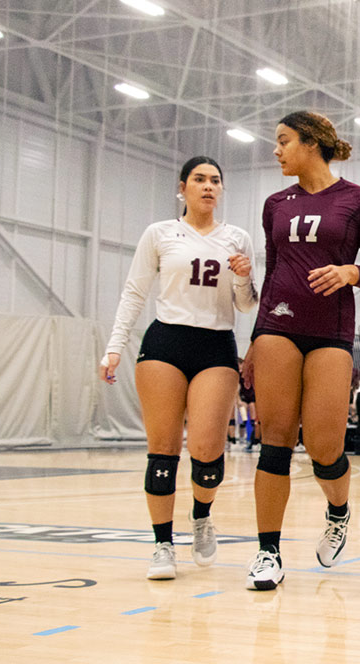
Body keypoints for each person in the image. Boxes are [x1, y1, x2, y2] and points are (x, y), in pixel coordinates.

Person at [242, 111, 360, 590]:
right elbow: (271, 270)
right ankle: (268, 553)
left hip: (331, 332)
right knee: (276, 440)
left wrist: (351, 273)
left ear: (311, 142)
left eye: (283, 141)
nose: (276, 150)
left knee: (325, 448)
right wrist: (254, 340)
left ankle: (338, 511)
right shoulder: (274, 204)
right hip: (276, 326)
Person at [99, 156, 258, 580]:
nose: (208, 186)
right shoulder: (159, 234)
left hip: (215, 345)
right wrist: (114, 347)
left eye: (215, 181)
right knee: (163, 450)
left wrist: (243, 277)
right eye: (200, 179)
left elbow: (246, 305)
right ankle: (162, 545)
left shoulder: (237, 238)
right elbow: (134, 292)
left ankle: (202, 516)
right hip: (165, 342)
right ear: (182, 187)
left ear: (222, 190)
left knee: (207, 450)